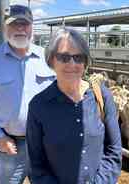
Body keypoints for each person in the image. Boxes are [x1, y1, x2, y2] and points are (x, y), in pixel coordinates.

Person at [0, 4, 55, 184]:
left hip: (45, 145)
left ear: (32, 26)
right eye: (14, 24)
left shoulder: (47, 57)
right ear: (5, 27)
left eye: (24, 23)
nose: (20, 28)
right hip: (9, 146)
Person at [26, 28, 122, 184]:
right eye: (64, 57)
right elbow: (36, 166)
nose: (72, 63)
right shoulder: (39, 106)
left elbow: (113, 150)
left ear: (85, 62)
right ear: (51, 60)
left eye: (78, 57)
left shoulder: (102, 97)